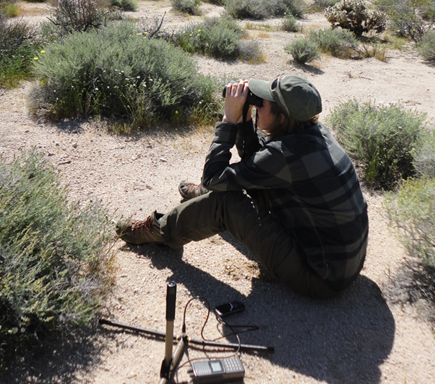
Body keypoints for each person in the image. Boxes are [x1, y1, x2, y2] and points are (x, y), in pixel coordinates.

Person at [118, 75, 368, 299]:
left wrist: (229, 120)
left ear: (282, 117)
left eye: (263, 103)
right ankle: (203, 199)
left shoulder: (284, 155)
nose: (257, 104)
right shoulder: (314, 133)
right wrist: (246, 118)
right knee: (249, 181)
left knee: (226, 202)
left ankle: (161, 230)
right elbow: (259, 162)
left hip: (319, 277)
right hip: (343, 264)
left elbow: (213, 176)